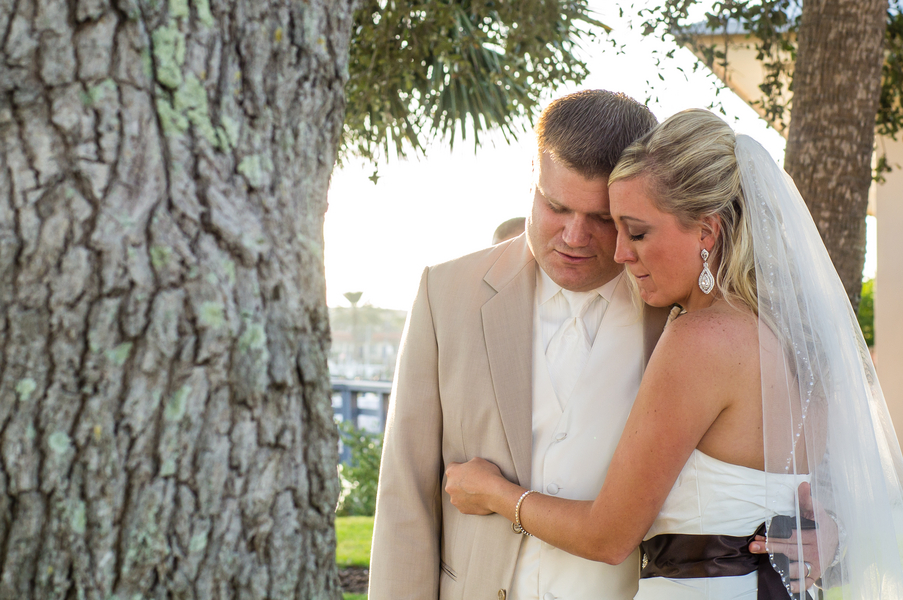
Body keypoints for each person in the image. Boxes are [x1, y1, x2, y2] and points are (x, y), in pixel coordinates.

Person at [445, 109, 903, 598]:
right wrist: (829, 533)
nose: (620, 252)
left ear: (706, 233)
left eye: (637, 232)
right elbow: (840, 493)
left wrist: (495, 494)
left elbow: (608, 537)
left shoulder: (698, 340)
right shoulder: (798, 341)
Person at [369, 92, 810, 600]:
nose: (574, 236)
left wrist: (820, 531)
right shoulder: (446, 293)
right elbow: (406, 494)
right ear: (530, 181)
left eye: (604, 218)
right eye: (555, 206)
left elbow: (782, 455)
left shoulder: (686, 306)